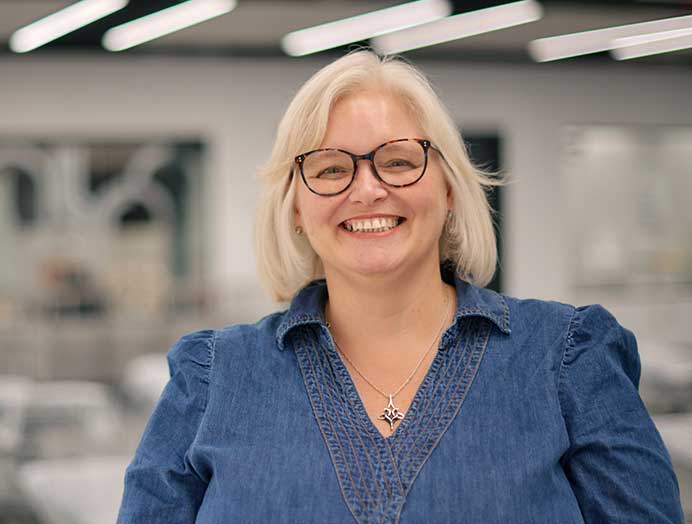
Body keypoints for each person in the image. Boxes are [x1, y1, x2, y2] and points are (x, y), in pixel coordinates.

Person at [117, 50, 685, 523]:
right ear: (295, 207)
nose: (366, 190)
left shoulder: (567, 358)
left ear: (448, 190)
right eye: (331, 168)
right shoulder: (212, 378)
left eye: (396, 161)